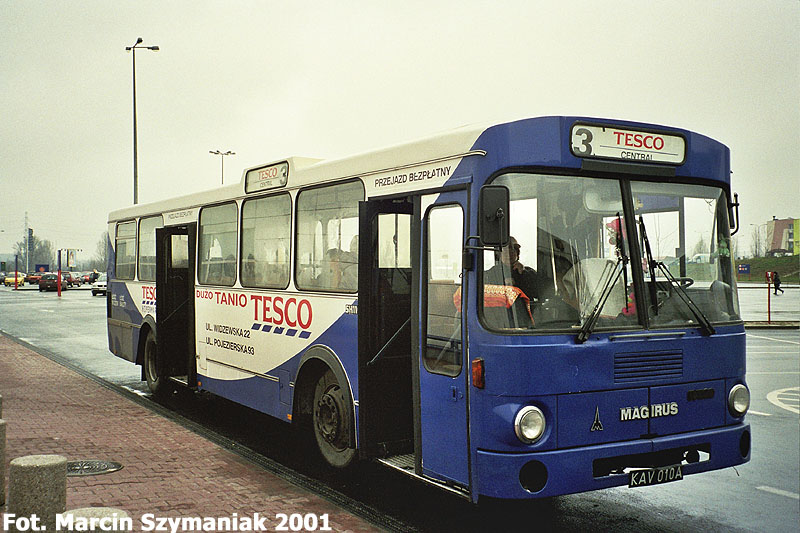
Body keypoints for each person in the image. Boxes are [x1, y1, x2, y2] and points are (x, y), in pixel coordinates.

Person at [484, 236, 540, 301]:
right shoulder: (490, 274)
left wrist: (524, 273)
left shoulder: (528, 272)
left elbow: (540, 292)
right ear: (499, 254)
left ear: (517, 253)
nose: (509, 254)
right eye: (505, 250)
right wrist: (502, 284)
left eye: (513, 250)